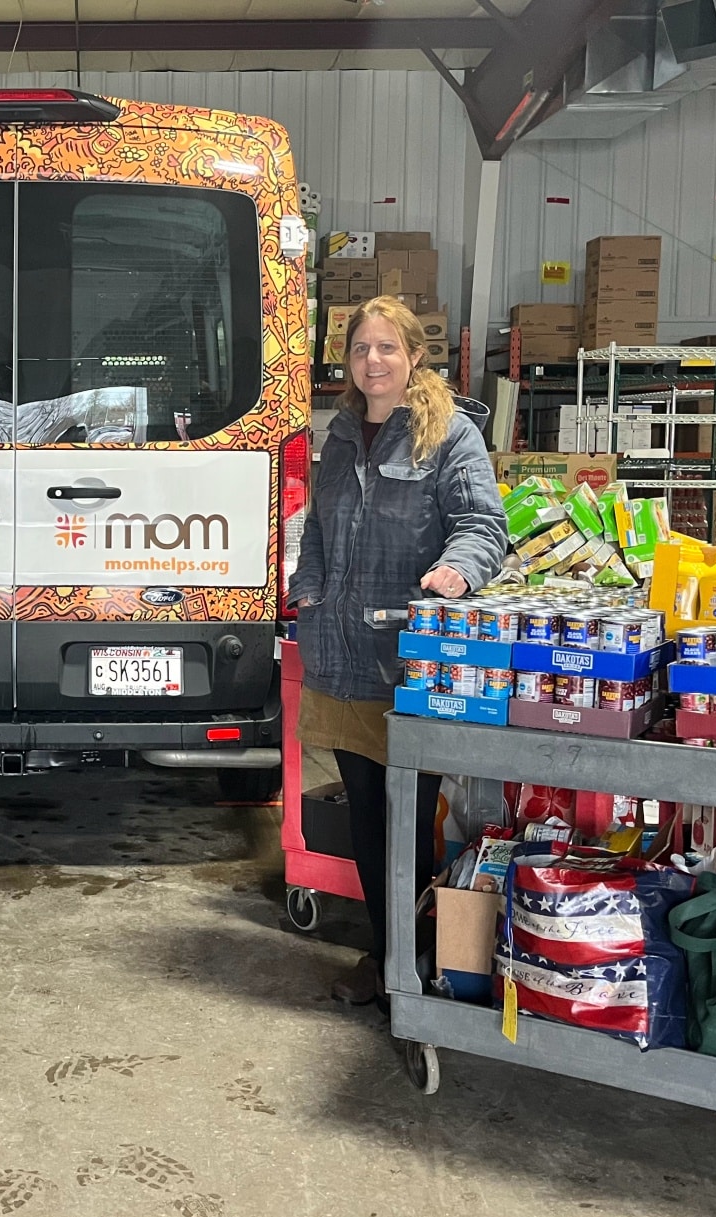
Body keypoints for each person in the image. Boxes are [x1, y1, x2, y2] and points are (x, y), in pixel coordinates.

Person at [287, 296, 508, 1009]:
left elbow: (482, 524)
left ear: (415, 355)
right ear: (347, 362)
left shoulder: (449, 435)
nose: (373, 361)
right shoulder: (344, 432)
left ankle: (412, 967)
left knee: (406, 813)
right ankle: (385, 957)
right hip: (339, 651)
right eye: (360, 350)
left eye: (387, 348)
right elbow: (318, 526)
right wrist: (309, 587)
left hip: (409, 658)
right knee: (363, 812)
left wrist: (459, 571)